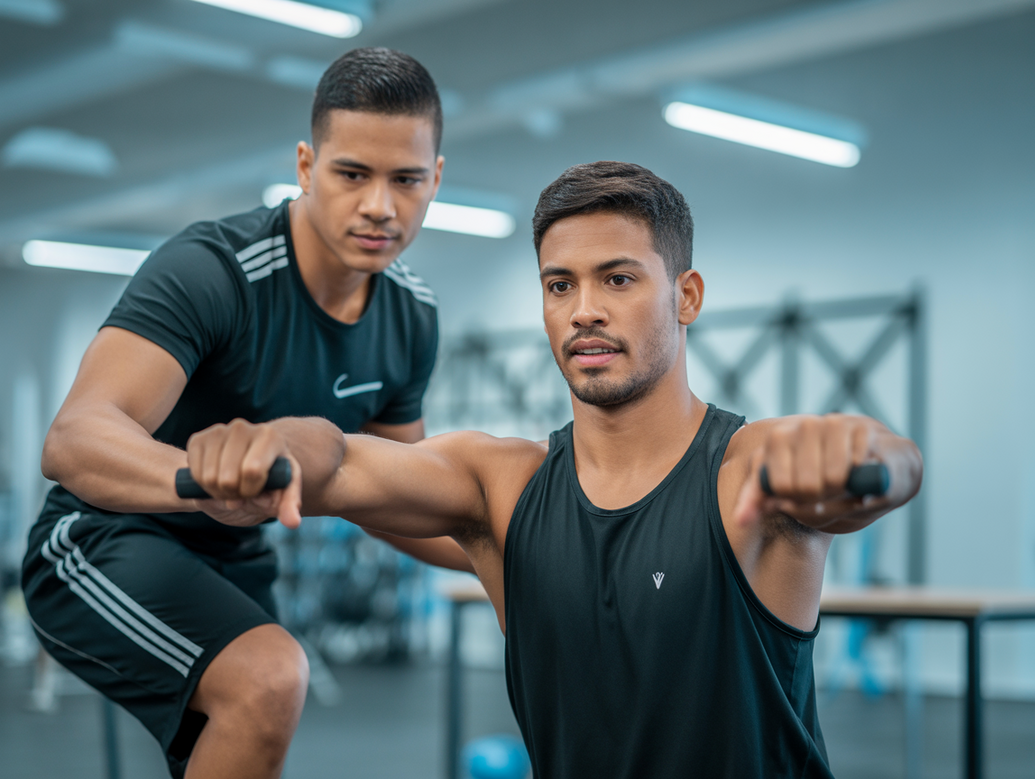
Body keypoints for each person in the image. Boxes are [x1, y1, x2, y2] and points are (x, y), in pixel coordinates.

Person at [184, 161, 924, 778]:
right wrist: (269, 439)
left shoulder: (742, 472)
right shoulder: (502, 485)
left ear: (685, 296)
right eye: (559, 284)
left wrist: (858, 452)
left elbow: (888, 462)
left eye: (618, 280)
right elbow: (342, 459)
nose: (583, 311)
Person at [21, 47, 472, 779]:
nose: (380, 206)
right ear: (305, 166)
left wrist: (533, 551)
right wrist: (203, 478)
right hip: (99, 539)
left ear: (437, 179)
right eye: (352, 173)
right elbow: (74, 440)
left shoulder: (411, 315)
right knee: (268, 677)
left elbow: (397, 496)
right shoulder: (215, 270)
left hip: (234, 559)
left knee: (251, 725)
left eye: (406, 179)